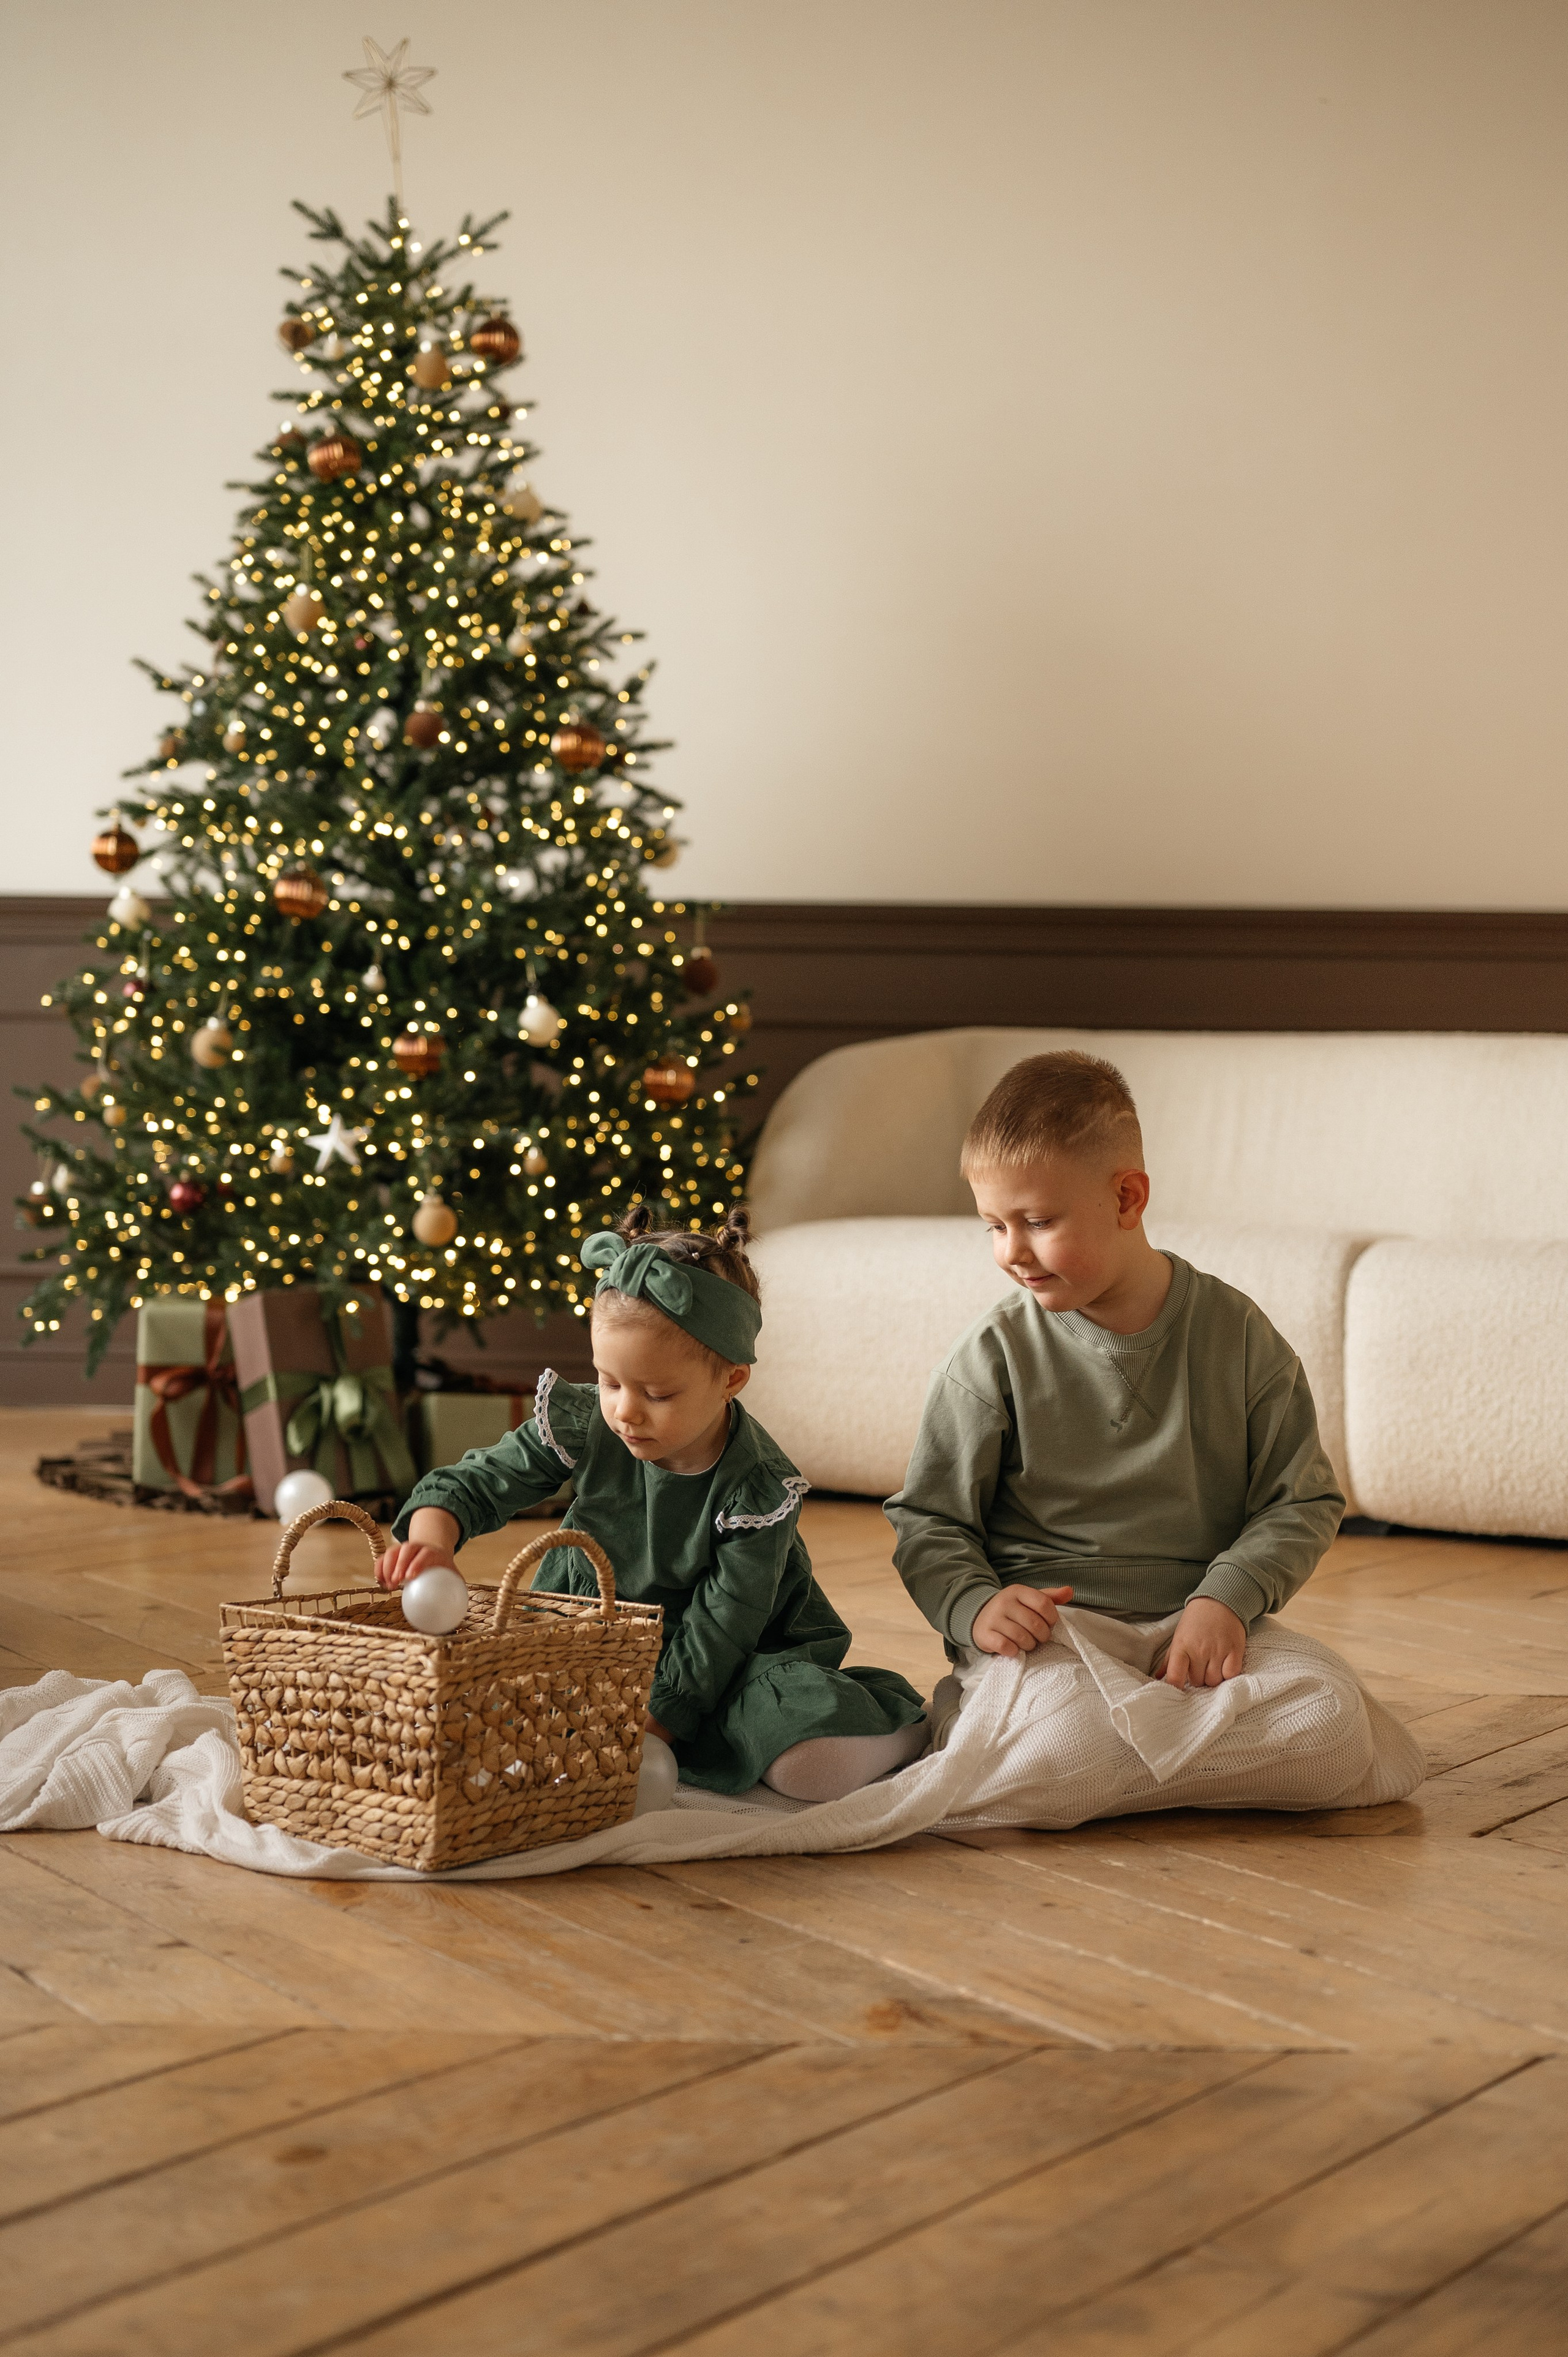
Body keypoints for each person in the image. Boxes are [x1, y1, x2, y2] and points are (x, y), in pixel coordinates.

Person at [885, 1050, 1423, 1820]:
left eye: (1037, 1221)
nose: (1012, 1251)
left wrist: (1227, 1600)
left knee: (1334, 1724)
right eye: (995, 1225)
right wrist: (974, 1604)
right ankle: (1083, 1747)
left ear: (1127, 1197)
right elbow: (928, 1519)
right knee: (1062, 1736)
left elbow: (1301, 1499)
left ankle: (1057, 1762)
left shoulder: (1238, 1334)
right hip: (1055, 1636)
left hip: (1198, 1631)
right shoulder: (992, 1353)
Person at [377, 1205, 928, 1801]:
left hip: (732, 1662)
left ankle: (906, 1729)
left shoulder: (757, 1488)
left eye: (657, 1393)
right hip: (597, 1639)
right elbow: (480, 1479)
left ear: (731, 1380)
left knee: (804, 1764)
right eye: (609, 1381)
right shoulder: (590, 1420)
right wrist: (430, 1541)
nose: (625, 1411)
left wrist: (656, 1720)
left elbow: (725, 1624)